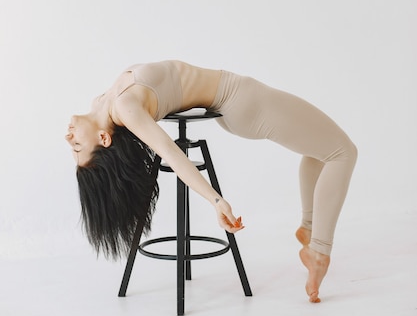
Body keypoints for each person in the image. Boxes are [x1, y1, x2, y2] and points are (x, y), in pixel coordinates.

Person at [65, 59, 357, 303]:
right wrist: (216, 200)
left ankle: (308, 229)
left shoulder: (101, 101)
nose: (69, 139)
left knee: (319, 150)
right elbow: (172, 154)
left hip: (236, 99)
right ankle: (319, 251)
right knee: (342, 152)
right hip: (241, 99)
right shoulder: (126, 109)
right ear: (103, 139)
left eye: (72, 146)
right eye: (77, 147)